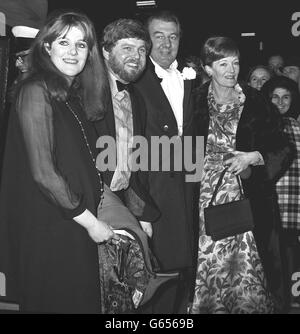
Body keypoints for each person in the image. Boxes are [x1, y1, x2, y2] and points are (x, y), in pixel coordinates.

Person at [0, 10, 119, 313]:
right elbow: (44, 173)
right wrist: (92, 223)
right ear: (46, 46)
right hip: (51, 227)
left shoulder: (70, 94)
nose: (73, 52)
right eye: (64, 42)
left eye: (81, 45)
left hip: (72, 223)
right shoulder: (35, 89)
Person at [190, 36, 293, 314]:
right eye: (222, 63)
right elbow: (178, 151)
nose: (231, 70)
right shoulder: (193, 101)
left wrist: (253, 157)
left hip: (249, 199)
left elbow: (284, 148)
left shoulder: (256, 99)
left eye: (235, 62)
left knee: (249, 269)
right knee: (207, 265)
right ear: (208, 68)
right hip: (202, 201)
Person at [134, 10, 198, 314]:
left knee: (185, 273)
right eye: (158, 35)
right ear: (147, 40)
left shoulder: (192, 77)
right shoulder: (133, 78)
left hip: (189, 188)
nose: (166, 43)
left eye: (172, 36)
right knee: (154, 279)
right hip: (152, 190)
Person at [96, 18, 159, 239]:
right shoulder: (84, 93)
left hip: (122, 201)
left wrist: (142, 213)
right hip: (90, 207)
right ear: (106, 51)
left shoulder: (138, 100)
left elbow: (135, 164)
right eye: (127, 48)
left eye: (142, 50)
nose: (136, 56)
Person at [261, 76, 300, 309]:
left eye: (286, 97)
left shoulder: (297, 126)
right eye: (275, 97)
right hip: (270, 204)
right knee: (271, 262)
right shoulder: (261, 127)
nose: (280, 102)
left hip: (294, 202)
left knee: (290, 260)